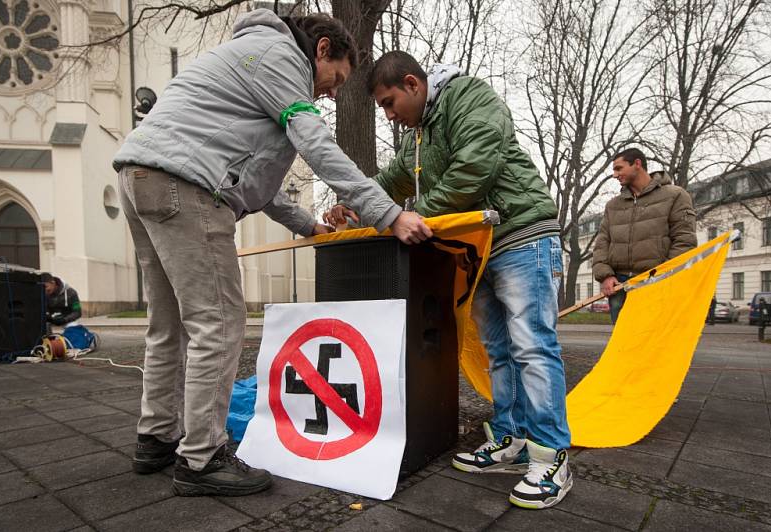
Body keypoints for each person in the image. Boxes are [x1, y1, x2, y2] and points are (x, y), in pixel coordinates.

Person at [112, 10, 432, 497]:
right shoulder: (281, 56)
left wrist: (309, 225)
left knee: (169, 323)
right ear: (321, 49)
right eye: (336, 79)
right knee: (217, 322)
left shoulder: (250, 56)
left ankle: (155, 438)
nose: (331, 92)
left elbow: (257, 175)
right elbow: (316, 144)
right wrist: (388, 213)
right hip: (185, 185)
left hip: (141, 176)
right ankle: (200, 458)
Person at [326, 51, 572, 510]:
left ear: (414, 84)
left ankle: (551, 454)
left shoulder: (469, 97)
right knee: (499, 350)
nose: (388, 114)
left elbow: (475, 167)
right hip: (478, 246)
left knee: (533, 346)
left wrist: (414, 214)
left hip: (521, 235)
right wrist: (357, 205)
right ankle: (512, 440)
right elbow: (393, 180)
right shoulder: (415, 138)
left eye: (388, 102)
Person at [592, 148, 697, 323]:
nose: (614, 175)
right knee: (624, 345)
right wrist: (605, 276)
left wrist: (662, 277)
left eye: (619, 168)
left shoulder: (675, 196)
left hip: (656, 285)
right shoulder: (613, 205)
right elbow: (602, 243)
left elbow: (684, 241)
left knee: (655, 344)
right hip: (620, 286)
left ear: (637, 164)